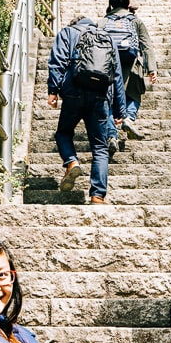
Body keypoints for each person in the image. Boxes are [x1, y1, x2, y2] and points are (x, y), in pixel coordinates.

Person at [48, 15, 127, 205]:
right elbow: (117, 76)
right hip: (100, 97)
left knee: (63, 133)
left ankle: (71, 161)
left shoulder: (67, 32)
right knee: (100, 147)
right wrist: (119, 111)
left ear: (74, 23)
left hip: (73, 93)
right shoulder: (107, 37)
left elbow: (57, 61)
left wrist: (53, 91)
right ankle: (97, 195)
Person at [102, 0, 158, 150]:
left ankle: (111, 135)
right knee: (134, 96)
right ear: (128, 2)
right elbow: (147, 45)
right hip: (132, 67)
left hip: (109, 69)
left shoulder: (103, 21)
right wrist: (152, 69)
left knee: (109, 102)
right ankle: (128, 119)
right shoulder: (135, 21)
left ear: (111, 2)